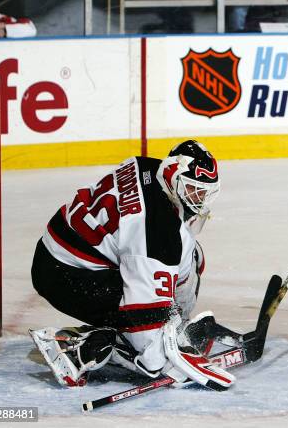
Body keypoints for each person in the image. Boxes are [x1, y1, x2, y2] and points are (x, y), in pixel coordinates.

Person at [29, 140, 236, 391]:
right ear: (173, 176)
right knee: (153, 360)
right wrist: (163, 352)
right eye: (193, 189)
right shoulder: (155, 233)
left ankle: (171, 321)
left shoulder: (148, 167)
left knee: (192, 256)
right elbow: (148, 339)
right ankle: (78, 348)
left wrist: (175, 320)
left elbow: (174, 252)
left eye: (204, 192)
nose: (200, 199)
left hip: (63, 251)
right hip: (64, 276)